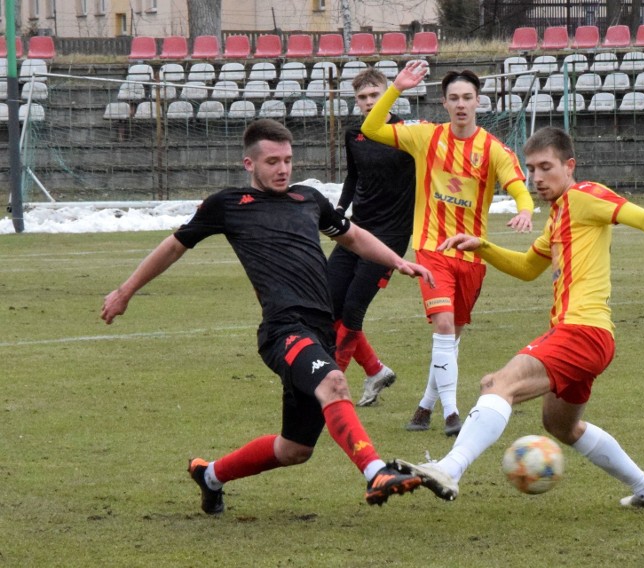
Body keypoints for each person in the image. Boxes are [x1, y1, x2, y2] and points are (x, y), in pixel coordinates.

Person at [100, 119, 433, 514]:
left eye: (288, 160)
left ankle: (210, 476)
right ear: (249, 164)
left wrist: (397, 260)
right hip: (282, 331)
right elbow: (173, 247)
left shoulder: (309, 199)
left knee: (295, 449)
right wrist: (125, 291)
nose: (283, 169)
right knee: (335, 382)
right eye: (272, 161)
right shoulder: (228, 205)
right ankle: (376, 472)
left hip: (318, 332)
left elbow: (353, 237)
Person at [393, 126, 644, 508]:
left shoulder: (584, 195)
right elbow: (528, 267)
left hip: (582, 330)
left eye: (546, 167)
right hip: (589, 336)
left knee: (499, 384)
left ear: (569, 165)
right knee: (560, 425)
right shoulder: (559, 215)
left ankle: (450, 468)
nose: (537, 178)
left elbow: (640, 216)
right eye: (530, 169)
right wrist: (483, 247)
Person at [360, 61, 535, 436]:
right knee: (442, 326)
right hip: (432, 250)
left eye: (467, 98)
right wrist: (397, 88)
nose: (460, 104)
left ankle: (424, 406)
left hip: (472, 256)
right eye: (453, 97)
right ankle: (453, 414)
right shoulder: (425, 136)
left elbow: (518, 185)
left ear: (478, 102)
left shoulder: (493, 149)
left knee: (450, 338)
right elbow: (370, 127)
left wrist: (524, 208)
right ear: (444, 102)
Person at [327, 68, 416, 407]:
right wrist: (339, 207)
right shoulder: (356, 136)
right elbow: (353, 178)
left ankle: (331, 388)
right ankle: (375, 370)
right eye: (362, 97)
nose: (367, 102)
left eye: (373, 95)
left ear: (387, 95)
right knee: (328, 303)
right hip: (356, 231)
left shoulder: (407, 135)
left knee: (352, 310)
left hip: (390, 238)